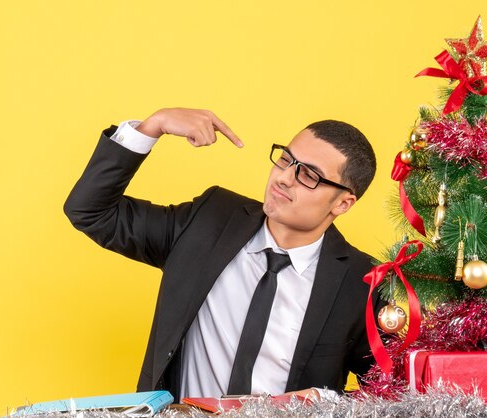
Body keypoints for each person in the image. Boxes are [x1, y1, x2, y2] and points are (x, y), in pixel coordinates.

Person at [64, 107, 381, 400]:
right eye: (286, 159)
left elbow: (388, 393)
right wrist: (153, 125)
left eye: (308, 175)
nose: (283, 178)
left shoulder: (363, 282)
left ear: (342, 203)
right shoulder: (209, 220)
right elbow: (90, 211)